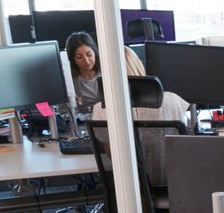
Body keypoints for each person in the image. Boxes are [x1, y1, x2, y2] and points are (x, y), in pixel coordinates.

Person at [90, 47, 190, 188]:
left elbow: (113, 155)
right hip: (176, 188)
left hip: (132, 194)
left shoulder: (102, 109)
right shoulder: (173, 101)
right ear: (138, 64)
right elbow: (185, 144)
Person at [66, 31, 102, 111]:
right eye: (79, 57)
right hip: (84, 121)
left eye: (89, 55)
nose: (86, 61)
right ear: (72, 59)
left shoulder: (108, 72)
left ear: (95, 52)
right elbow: (64, 110)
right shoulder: (69, 81)